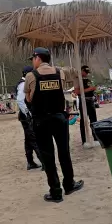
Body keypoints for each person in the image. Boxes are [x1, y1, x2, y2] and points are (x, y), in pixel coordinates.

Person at [24, 47, 83, 202]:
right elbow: (59, 90)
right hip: (59, 118)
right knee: (64, 152)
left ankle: (56, 192)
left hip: (41, 121)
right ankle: (69, 184)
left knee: (48, 156)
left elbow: (29, 99)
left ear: (37, 58)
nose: (32, 61)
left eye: (33, 58)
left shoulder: (31, 76)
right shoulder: (60, 73)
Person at [16, 66, 42, 170]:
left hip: (25, 116)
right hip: (27, 116)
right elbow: (20, 101)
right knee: (34, 138)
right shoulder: (23, 85)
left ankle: (30, 162)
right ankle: (44, 162)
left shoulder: (23, 83)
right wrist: (28, 114)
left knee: (28, 139)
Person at [74, 65, 100, 148]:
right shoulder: (77, 79)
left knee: (94, 120)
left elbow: (93, 87)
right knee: (83, 121)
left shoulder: (89, 79)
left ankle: (96, 139)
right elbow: (77, 91)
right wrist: (90, 89)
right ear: (81, 70)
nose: (86, 74)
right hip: (83, 100)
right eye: (85, 72)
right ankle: (84, 140)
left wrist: (94, 88)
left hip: (90, 100)